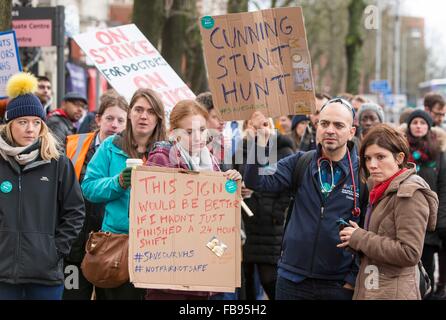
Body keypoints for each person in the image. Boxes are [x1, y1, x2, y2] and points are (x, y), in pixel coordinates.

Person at [244, 98, 365, 300]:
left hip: (337, 285)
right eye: (324, 123)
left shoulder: (363, 174)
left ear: (351, 132)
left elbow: (371, 228)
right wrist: (261, 142)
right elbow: (255, 181)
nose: (330, 130)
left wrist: (352, 278)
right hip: (292, 280)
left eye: (338, 125)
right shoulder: (300, 162)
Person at [146, 99, 242, 300]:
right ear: (173, 132)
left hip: (206, 271)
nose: (198, 137)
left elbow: (216, 212)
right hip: (173, 276)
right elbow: (154, 214)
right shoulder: (161, 158)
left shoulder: (210, 160)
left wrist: (232, 185)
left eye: (201, 129)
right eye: (189, 132)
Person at [0, 72, 85, 300]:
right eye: (22, 122)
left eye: (36, 122)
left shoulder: (58, 163)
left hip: (45, 274)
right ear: (9, 125)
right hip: (3, 274)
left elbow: (75, 211)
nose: (30, 129)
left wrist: (56, 250)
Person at [81, 88, 167, 300]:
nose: (144, 116)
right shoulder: (111, 146)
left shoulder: (169, 151)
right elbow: (89, 187)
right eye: (138, 109)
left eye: (150, 111)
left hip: (158, 246)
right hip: (117, 244)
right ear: (130, 113)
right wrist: (118, 182)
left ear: (158, 118)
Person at [338, 124, 438, 300]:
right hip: (374, 285)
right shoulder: (379, 189)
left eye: (380, 157)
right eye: (368, 158)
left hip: (394, 290)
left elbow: (409, 253)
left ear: (399, 158)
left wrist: (360, 237)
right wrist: (354, 240)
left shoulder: (409, 193)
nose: (372, 165)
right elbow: (382, 239)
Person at [63, 92, 128, 300]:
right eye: (109, 118)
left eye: (121, 120)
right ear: (98, 119)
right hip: (74, 244)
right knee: (72, 295)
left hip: (109, 246)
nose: (115, 125)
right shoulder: (73, 145)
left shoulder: (130, 152)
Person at [234, 111, 294, 300]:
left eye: (263, 125)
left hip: (270, 225)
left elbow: (288, 188)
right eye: (253, 126)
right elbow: (232, 179)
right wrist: (235, 189)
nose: (259, 130)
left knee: (270, 278)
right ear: (246, 127)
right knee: (246, 279)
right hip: (246, 222)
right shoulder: (242, 149)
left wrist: (277, 212)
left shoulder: (283, 149)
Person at [404, 110, 446, 296]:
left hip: (429, 224)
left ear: (428, 127)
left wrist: (441, 222)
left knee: (426, 270)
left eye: (422, 122)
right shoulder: (401, 151)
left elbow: (443, 189)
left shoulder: (439, 155)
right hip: (404, 219)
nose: (418, 126)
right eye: (415, 122)